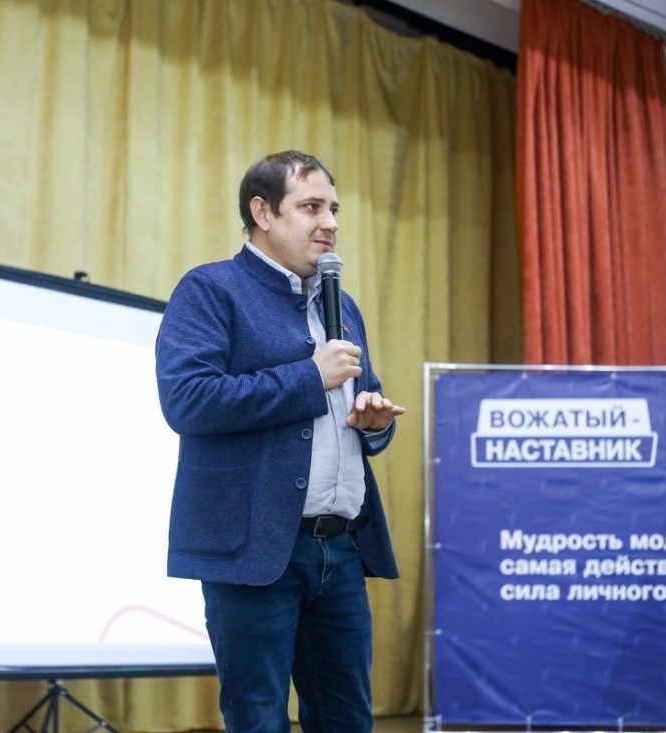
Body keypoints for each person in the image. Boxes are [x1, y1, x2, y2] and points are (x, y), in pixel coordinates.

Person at [155, 150, 405, 733]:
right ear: (263, 212)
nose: (331, 223)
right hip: (256, 549)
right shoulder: (211, 289)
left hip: (340, 546)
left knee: (347, 718)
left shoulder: (342, 305)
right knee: (259, 717)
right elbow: (188, 400)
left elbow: (359, 398)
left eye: (334, 209)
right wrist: (309, 377)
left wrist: (375, 422)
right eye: (312, 207)